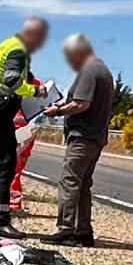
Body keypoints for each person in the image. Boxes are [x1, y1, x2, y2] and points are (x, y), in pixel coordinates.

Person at [0, 17, 48, 235]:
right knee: (4, 166)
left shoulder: (7, 45)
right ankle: (0, 222)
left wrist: (30, 78)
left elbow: (10, 74)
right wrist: (36, 91)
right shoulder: (18, 50)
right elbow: (11, 80)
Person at [44, 33, 115, 247]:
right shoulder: (103, 70)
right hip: (96, 137)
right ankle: (83, 232)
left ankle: (66, 230)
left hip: (83, 137)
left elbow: (81, 104)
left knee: (70, 182)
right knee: (83, 185)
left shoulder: (89, 71)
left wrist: (57, 111)